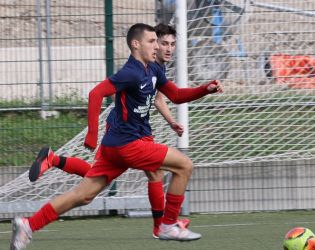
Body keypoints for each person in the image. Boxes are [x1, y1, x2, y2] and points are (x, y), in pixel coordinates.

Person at [10, 23, 223, 250]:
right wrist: (92, 133)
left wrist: (204, 89)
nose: (158, 46)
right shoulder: (130, 72)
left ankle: (28, 225)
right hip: (129, 144)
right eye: (152, 42)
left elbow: (177, 95)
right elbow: (96, 93)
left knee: (82, 195)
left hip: (117, 146)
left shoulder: (153, 70)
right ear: (136, 44)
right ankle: (168, 225)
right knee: (184, 166)